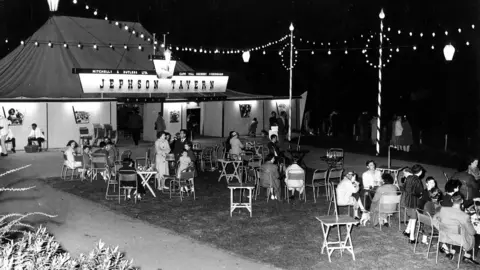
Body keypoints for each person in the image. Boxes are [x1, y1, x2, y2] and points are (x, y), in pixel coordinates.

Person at [434, 194, 479, 265]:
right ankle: (467, 255)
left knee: (459, 232)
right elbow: (472, 232)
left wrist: (440, 228)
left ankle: (452, 251)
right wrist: (475, 230)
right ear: (462, 201)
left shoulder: (443, 210)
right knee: (475, 235)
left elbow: (434, 219)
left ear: (452, 200)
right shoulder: (465, 216)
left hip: (445, 236)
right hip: (459, 239)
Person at [401, 165, 425, 243]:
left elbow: (403, 188)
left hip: (407, 200)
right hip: (414, 202)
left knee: (412, 217)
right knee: (414, 219)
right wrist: (420, 196)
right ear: (420, 172)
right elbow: (419, 191)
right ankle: (412, 238)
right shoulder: (417, 180)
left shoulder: (408, 178)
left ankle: (407, 231)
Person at [418, 177, 442, 244]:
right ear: (426, 184)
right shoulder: (425, 193)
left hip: (427, 214)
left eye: (433, 182)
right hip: (425, 213)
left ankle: (426, 235)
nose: (433, 184)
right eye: (431, 182)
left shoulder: (435, 192)